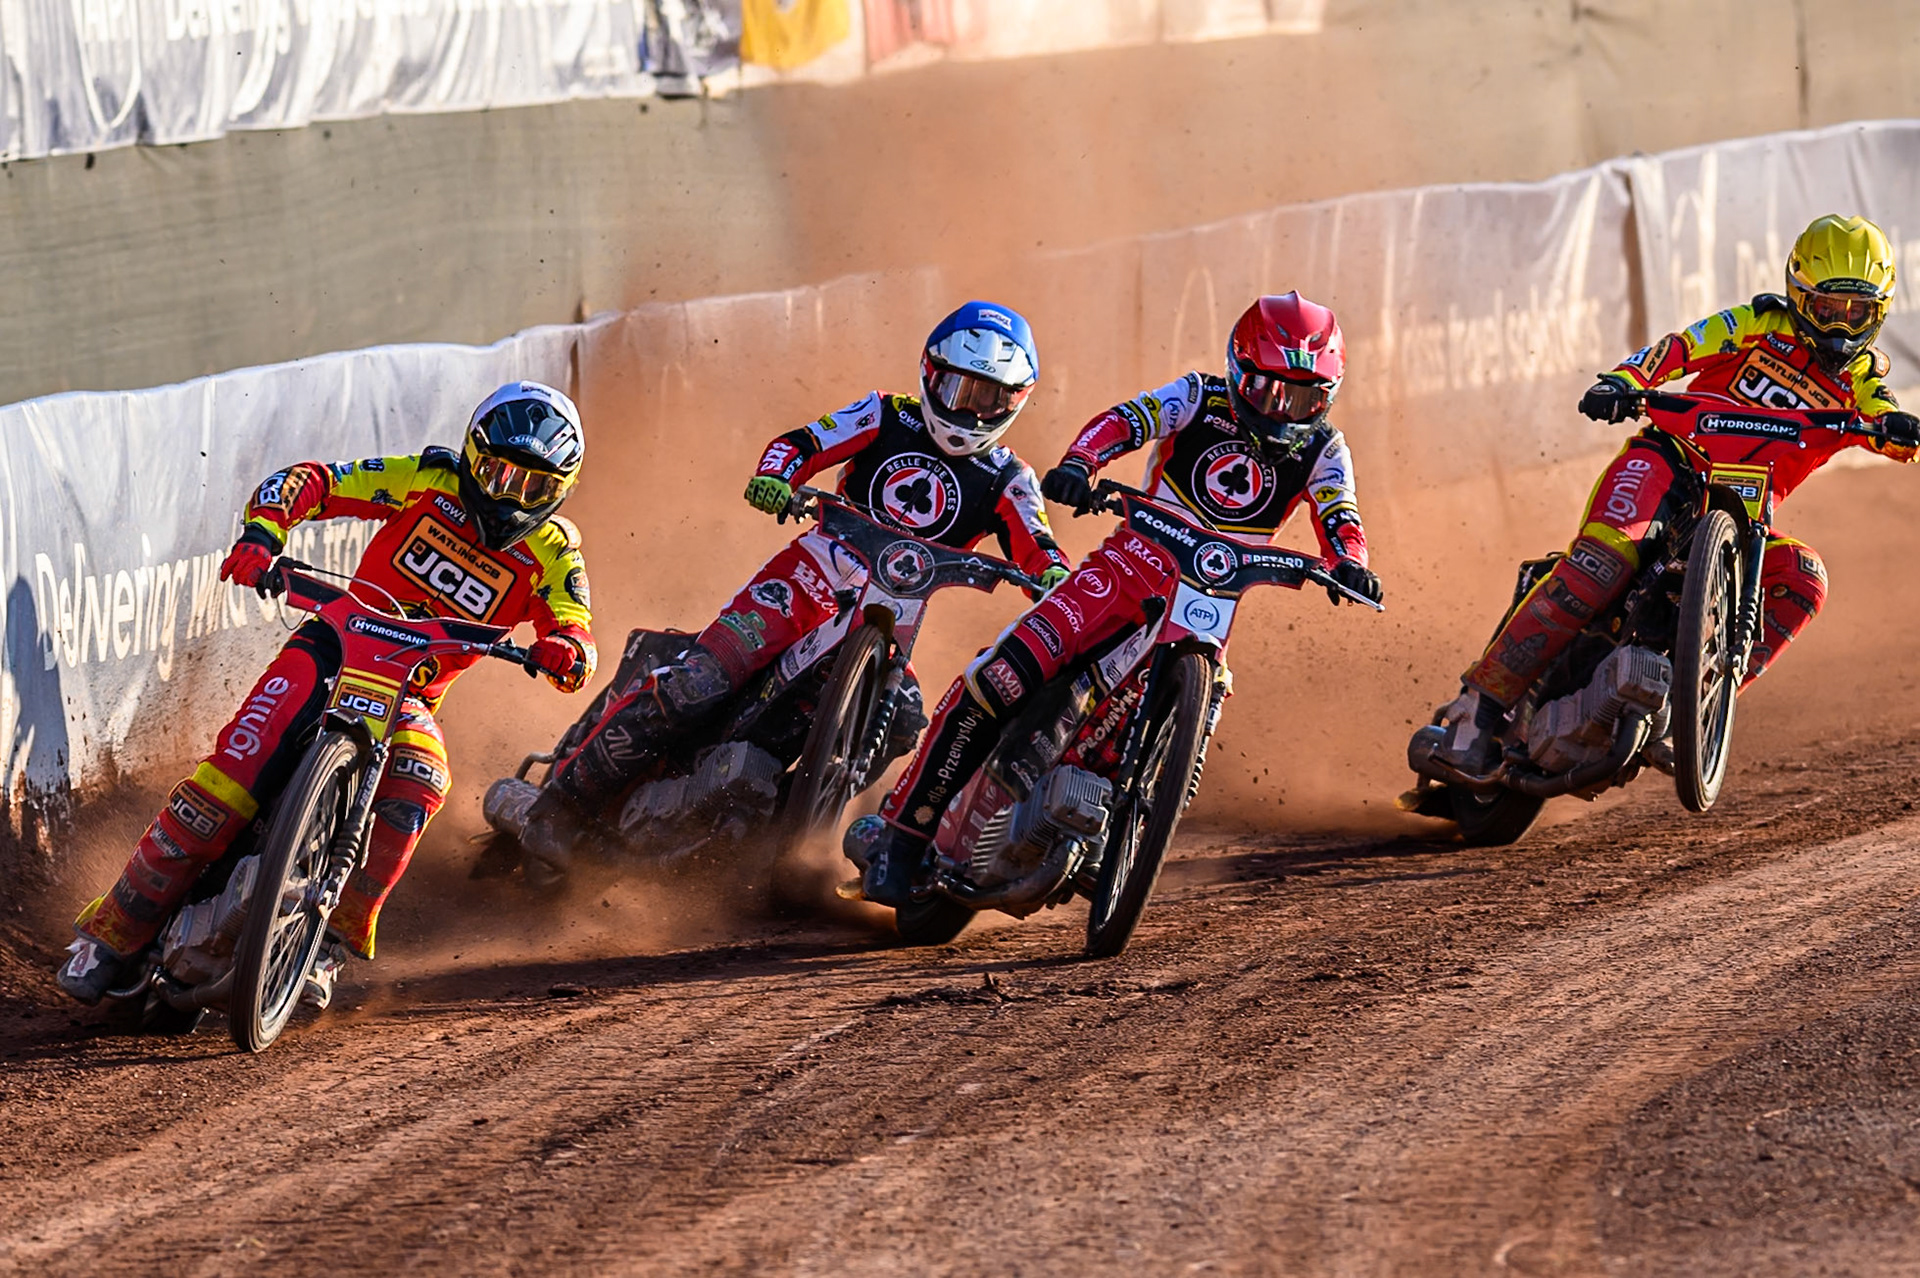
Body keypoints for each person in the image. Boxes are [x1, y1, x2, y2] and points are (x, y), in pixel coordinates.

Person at [57, 382, 597, 1006]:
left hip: (407, 697)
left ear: (560, 490)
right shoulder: (426, 478)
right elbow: (313, 481)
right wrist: (263, 534)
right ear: (472, 457)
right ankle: (111, 932)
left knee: (423, 780)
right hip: (331, 649)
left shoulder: (555, 552)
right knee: (225, 784)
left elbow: (576, 628)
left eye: (532, 486)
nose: (508, 496)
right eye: (498, 473)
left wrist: (566, 650)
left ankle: (329, 946)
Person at [856, 291, 1382, 906]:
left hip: (1210, 603)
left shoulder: (1326, 448)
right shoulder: (1198, 396)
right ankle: (902, 836)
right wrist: (1081, 464)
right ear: (1239, 369)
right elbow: (1126, 421)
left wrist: (1352, 564)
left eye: (1306, 399)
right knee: (1001, 677)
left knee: (1202, 708)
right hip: (1125, 569)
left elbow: (1340, 512)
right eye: (1270, 391)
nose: (1284, 412)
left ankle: (1112, 835)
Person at [515, 301, 1074, 871]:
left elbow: (1039, 543)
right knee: (699, 681)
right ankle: (559, 809)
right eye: (960, 390)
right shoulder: (885, 413)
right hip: (808, 578)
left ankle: (774, 842)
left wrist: (1053, 575)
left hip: (897, 616)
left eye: (990, 399)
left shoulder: (1011, 478)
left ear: (1015, 402)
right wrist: (776, 477)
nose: (972, 410)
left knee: (906, 718)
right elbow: (802, 443)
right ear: (931, 375)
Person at [1433, 214, 1920, 774]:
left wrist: (1900, 430)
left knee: (1805, 578)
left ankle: (1694, 706)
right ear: (1798, 294)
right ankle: (1477, 707)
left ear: (1880, 312)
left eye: (1857, 312)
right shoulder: (1758, 322)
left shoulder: (1863, 376)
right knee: (1604, 560)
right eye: (1827, 307)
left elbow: (1888, 421)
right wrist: (1623, 381)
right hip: (1670, 461)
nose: (1839, 326)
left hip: (1745, 512)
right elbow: (1681, 348)